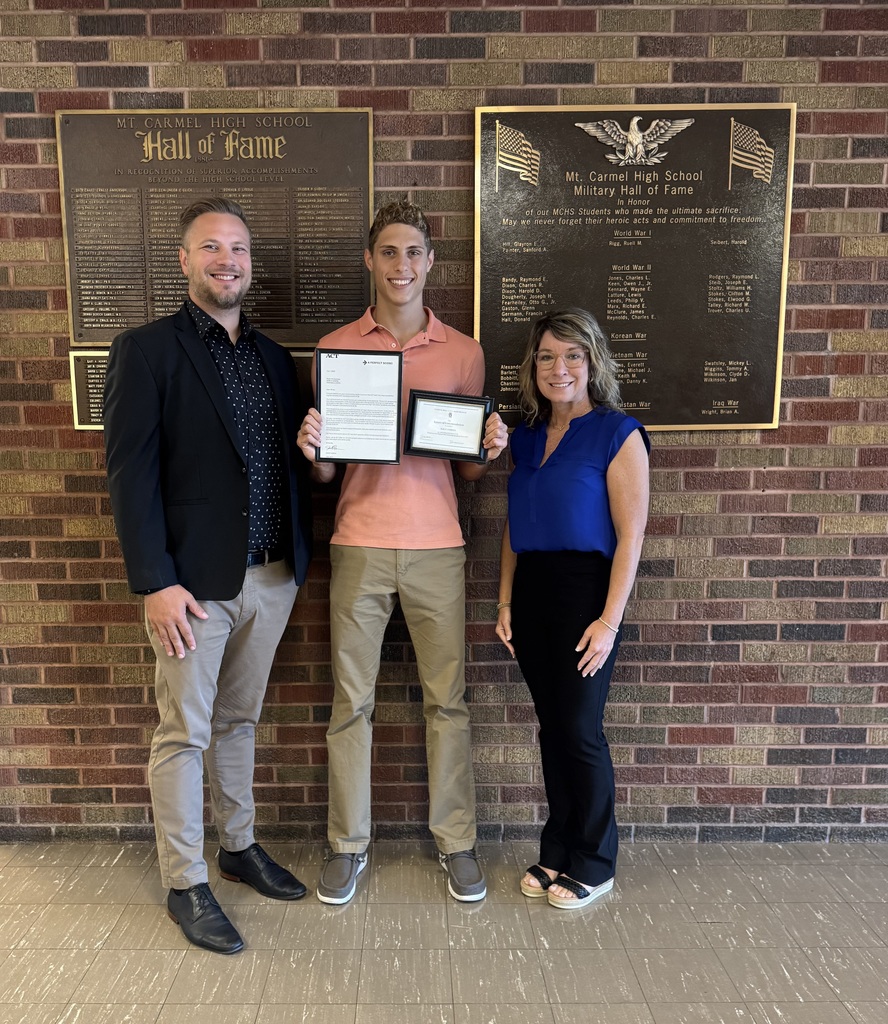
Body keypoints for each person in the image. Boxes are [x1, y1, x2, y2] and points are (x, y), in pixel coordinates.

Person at [103, 197, 313, 953]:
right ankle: (185, 880)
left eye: (240, 250)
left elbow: (293, 463)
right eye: (212, 248)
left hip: (271, 575)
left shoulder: (273, 359)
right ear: (185, 261)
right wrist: (154, 581)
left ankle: (238, 845)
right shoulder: (146, 350)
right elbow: (130, 475)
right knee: (184, 732)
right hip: (190, 587)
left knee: (238, 721)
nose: (229, 261)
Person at [297, 200, 508, 905]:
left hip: (437, 548)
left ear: (430, 263)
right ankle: (346, 846)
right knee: (350, 704)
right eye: (388, 252)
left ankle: (457, 843)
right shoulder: (335, 347)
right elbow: (330, 473)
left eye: (413, 252)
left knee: (448, 703)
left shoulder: (464, 351)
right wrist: (314, 453)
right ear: (370, 260)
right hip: (357, 542)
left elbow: (468, 473)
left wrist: (488, 449)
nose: (401, 266)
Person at [496, 308, 649, 909]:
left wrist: (609, 621)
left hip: (587, 593)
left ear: (593, 363)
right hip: (532, 589)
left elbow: (631, 537)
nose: (558, 368)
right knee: (553, 728)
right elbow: (514, 524)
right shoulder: (526, 437)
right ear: (533, 368)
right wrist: (505, 598)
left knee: (581, 730)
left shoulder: (618, 433)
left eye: (572, 356)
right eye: (546, 357)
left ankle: (595, 859)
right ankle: (557, 848)